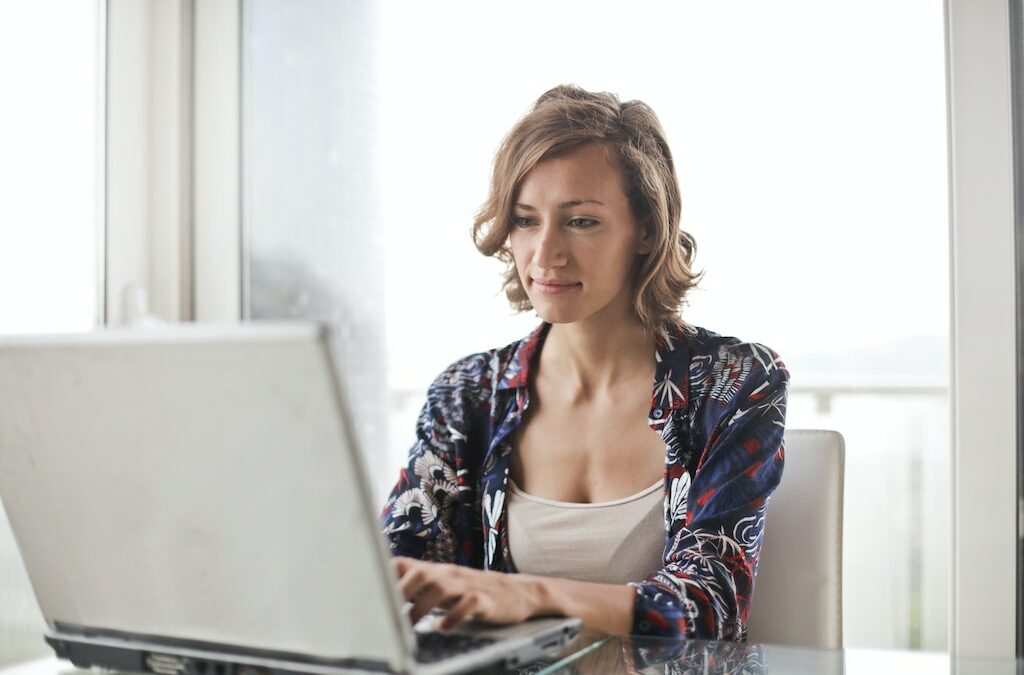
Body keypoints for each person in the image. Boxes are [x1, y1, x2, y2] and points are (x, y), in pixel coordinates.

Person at [379, 84, 789, 641]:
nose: (545, 254)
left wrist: (531, 594)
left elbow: (711, 606)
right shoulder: (469, 393)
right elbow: (392, 576)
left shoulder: (733, 382)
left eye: (581, 221)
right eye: (525, 220)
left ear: (646, 229)